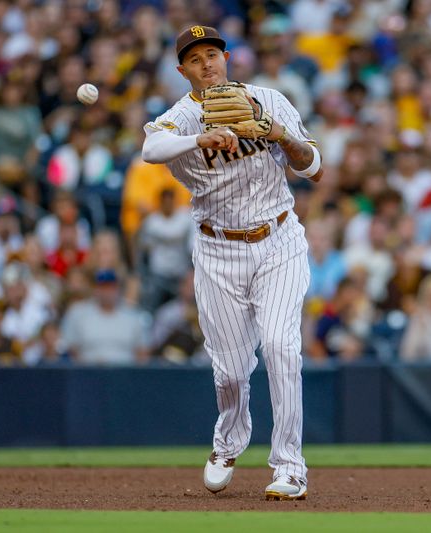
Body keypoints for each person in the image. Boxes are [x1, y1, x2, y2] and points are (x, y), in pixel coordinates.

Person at [141, 25, 323, 501]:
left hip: (279, 239)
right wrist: (199, 140)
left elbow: (313, 166)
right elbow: (149, 149)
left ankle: (290, 467)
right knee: (230, 371)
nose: (207, 63)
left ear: (227, 58)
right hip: (217, 250)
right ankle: (227, 443)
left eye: (213, 54)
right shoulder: (182, 117)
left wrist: (277, 133)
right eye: (196, 58)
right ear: (183, 71)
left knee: (282, 347)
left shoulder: (269, 99)